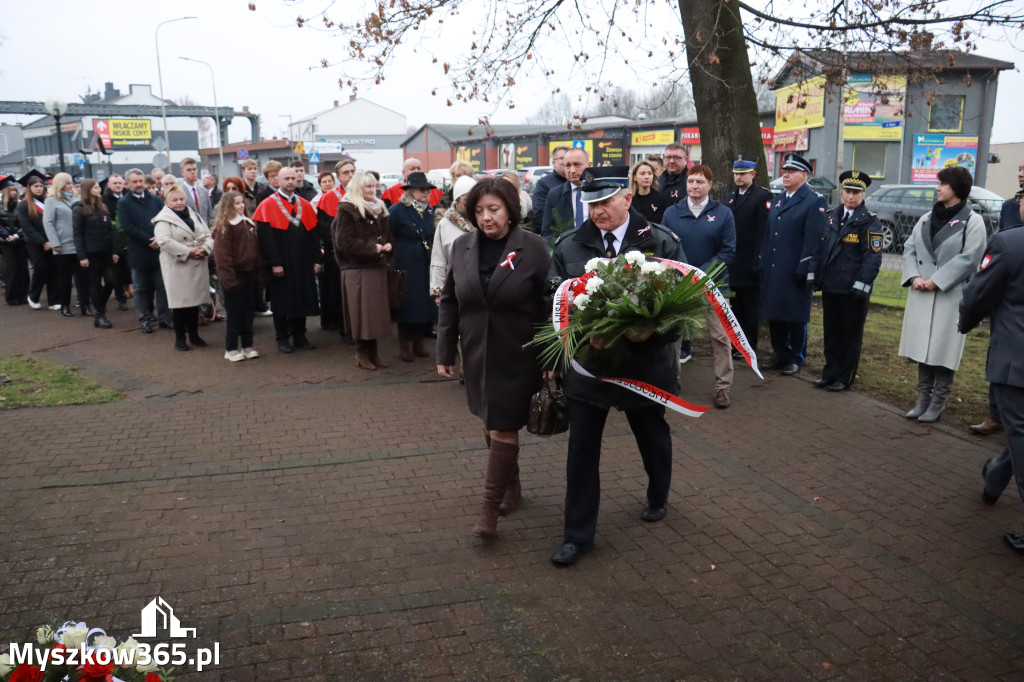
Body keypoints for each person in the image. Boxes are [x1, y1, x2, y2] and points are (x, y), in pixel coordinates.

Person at [548, 167, 686, 566]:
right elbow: (552, 298)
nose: (596, 212)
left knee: (652, 437)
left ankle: (658, 494)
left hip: (645, 367)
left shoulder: (661, 241)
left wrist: (650, 334)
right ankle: (577, 535)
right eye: (590, 204)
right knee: (581, 452)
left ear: (627, 198)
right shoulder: (570, 246)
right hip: (590, 368)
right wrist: (575, 334)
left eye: (604, 202)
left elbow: (683, 307)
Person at [437, 178, 551, 538]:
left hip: (519, 353)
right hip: (476, 353)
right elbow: (451, 301)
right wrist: (445, 349)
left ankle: (489, 509)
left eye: (494, 210)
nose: (486, 218)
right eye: (480, 211)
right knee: (489, 421)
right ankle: (511, 487)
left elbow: (550, 308)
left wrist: (553, 358)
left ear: (510, 210)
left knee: (502, 424)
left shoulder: (533, 248)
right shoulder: (461, 247)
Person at [958, 197, 1024, 553]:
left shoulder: (1010, 242)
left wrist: (964, 322)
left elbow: (978, 293)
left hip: (1017, 362)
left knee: (1021, 432)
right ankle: (995, 478)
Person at [898, 166, 987, 423]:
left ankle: (938, 402)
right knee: (923, 348)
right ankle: (922, 399)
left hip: (950, 294)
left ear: (956, 188)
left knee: (944, 350)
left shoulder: (973, 221)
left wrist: (936, 281)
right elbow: (910, 248)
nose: (937, 187)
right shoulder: (926, 218)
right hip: (921, 292)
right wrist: (915, 277)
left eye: (942, 183)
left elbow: (971, 258)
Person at [663, 164, 737, 408]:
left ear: (710, 185)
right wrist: (682, 274)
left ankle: (723, 387)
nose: (694, 186)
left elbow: (728, 251)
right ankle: (671, 381)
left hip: (714, 284)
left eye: (700, 182)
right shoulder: (671, 213)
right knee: (672, 337)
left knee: (720, 337)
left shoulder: (724, 214)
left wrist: (701, 274)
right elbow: (665, 249)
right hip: (679, 285)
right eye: (691, 182)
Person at [813, 171, 883, 392]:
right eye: (847, 191)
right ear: (841, 192)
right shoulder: (831, 216)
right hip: (831, 285)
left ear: (863, 194)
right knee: (831, 332)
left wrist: (862, 285)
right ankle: (829, 373)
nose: (851, 196)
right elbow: (821, 249)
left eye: (856, 192)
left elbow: (872, 257)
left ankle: (844, 377)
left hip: (853, 289)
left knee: (849, 334)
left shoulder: (870, 221)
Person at [760, 153, 826, 376]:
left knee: (796, 315)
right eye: (784, 170)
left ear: (804, 175)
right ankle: (780, 354)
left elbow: (814, 238)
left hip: (796, 266)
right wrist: (763, 260)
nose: (785, 174)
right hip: (775, 265)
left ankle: (796, 357)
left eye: (791, 171)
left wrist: (807, 267)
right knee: (775, 312)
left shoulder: (813, 200)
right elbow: (770, 234)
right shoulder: (779, 199)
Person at [973, 178, 1023, 437]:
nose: (1021, 173)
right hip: (1008, 295)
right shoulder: (1010, 206)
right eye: (1019, 170)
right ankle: (996, 414)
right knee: (1002, 357)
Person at [254, 166, 323, 353]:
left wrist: (317, 260)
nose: (291, 181)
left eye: (293, 178)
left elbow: (313, 235)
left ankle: (300, 335)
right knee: (282, 301)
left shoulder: (305, 205)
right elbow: (266, 240)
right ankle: (282, 338)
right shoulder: (267, 205)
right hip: (282, 262)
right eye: (287, 178)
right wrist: (275, 263)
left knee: (302, 298)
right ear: (278, 180)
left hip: (302, 261)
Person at [332, 171, 394, 369]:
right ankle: (361, 352)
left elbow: (387, 234)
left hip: (376, 266)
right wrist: (370, 248)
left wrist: (388, 244)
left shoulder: (379, 208)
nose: (372, 189)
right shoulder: (348, 209)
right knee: (361, 313)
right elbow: (343, 241)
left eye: (374, 185)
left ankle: (373, 352)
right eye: (368, 186)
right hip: (357, 268)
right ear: (359, 187)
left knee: (374, 315)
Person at [153, 186, 214, 351]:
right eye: (175, 200)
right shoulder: (163, 219)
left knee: (194, 303)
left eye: (181, 199)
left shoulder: (195, 215)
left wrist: (205, 249)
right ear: (167, 202)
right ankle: (180, 338)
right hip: (178, 265)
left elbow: (208, 235)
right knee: (180, 305)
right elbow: (165, 241)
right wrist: (188, 252)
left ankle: (194, 335)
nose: (179, 202)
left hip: (197, 262)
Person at [725, 154, 772, 359]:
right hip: (734, 261)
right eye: (736, 174)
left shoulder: (762, 197)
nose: (739, 178)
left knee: (750, 307)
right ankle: (736, 345)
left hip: (751, 259)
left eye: (743, 174)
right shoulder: (729, 195)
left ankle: (749, 346)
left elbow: (764, 231)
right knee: (735, 307)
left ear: (753, 174)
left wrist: (759, 258)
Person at [388, 171, 438, 361]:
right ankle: (404, 345)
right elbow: (389, 232)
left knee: (424, 302)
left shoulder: (430, 210)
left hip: (425, 258)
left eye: (428, 189)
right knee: (407, 301)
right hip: (406, 258)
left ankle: (418, 342)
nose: (426, 192)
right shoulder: (397, 210)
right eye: (421, 189)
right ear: (410, 191)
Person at [119, 168, 171, 334]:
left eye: (140, 181)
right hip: (138, 251)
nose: (138, 184)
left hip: (158, 250)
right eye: (134, 182)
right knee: (140, 288)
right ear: (128, 184)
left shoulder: (155, 200)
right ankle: (145, 318)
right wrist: (148, 240)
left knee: (161, 286)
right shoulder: (124, 202)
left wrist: (158, 238)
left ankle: (164, 317)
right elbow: (128, 227)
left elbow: (164, 220)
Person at [212, 190, 262, 362]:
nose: (241, 206)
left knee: (248, 313)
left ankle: (247, 345)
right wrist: (229, 279)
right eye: (237, 203)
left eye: (242, 203)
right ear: (228, 206)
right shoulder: (225, 227)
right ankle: (231, 347)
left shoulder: (249, 223)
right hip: (234, 276)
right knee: (235, 314)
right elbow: (222, 256)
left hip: (250, 275)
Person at [72, 179, 119, 329]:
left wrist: (114, 251)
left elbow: (110, 230)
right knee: (95, 284)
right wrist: (82, 256)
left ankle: (99, 309)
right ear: (88, 190)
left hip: (105, 251)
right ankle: (100, 314)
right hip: (91, 252)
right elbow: (77, 234)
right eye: (96, 187)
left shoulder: (103, 207)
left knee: (111, 281)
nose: (99, 189)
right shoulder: (79, 209)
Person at [43, 172, 87, 318]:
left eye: (71, 183)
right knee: (65, 278)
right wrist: (54, 242)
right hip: (63, 244)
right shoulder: (51, 200)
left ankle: (84, 305)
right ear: (60, 184)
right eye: (67, 183)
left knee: (82, 277)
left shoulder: (77, 197)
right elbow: (48, 222)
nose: (71, 185)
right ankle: (65, 305)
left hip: (79, 243)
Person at [430, 175, 476, 299]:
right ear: (457, 200)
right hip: (455, 287)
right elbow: (438, 258)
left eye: (475, 197)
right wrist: (438, 291)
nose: (472, 201)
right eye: (467, 198)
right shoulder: (445, 224)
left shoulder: (482, 220)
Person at [17, 172, 59, 310]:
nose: (39, 188)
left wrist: (51, 240)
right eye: (35, 186)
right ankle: (33, 295)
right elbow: (27, 227)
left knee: (53, 270)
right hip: (34, 242)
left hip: (51, 239)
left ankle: (53, 301)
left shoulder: (48, 201)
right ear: (29, 188)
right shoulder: (24, 204)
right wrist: (43, 242)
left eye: (41, 186)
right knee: (41, 268)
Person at [541, 147, 590, 241]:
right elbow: (547, 233)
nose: (572, 170)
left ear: (589, 165)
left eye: (577, 165)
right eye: (567, 165)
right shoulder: (554, 195)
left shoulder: (601, 191)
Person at [101, 174, 131, 309]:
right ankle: (121, 298)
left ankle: (128, 289)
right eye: (115, 183)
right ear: (109, 184)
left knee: (128, 268)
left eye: (120, 183)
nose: (118, 185)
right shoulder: (105, 200)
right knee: (116, 271)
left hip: (129, 238)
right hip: (114, 239)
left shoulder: (129, 197)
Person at [0, 177, 30, 305]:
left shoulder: (21, 204)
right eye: (11, 190)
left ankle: (23, 295)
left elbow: (24, 222)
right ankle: (12, 296)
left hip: (20, 240)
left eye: (15, 190)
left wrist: (17, 235)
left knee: (23, 267)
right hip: (5, 241)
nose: (14, 192)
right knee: (12, 267)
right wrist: (7, 236)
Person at [531, 145, 568, 227]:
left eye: (568, 158)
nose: (566, 161)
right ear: (554, 163)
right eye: (562, 158)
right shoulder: (544, 184)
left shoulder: (577, 182)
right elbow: (540, 214)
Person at [628, 159, 670, 224]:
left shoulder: (661, 199)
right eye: (642, 174)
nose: (647, 177)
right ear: (635, 177)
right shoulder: (629, 201)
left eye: (650, 173)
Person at [179, 158, 212, 226]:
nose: (192, 172)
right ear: (182, 173)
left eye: (194, 169)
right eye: (189, 170)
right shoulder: (179, 192)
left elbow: (209, 215)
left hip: (205, 232)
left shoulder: (204, 191)